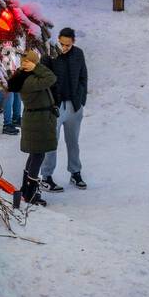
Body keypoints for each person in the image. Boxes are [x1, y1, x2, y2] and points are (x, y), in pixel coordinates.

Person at [39, 28, 89, 191]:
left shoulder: (78, 54)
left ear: (73, 42)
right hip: (55, 106)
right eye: (62, 44)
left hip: (74, 105)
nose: (64, 47)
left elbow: (83, 77)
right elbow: (41, 79)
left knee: (73, 141)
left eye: (68, 44)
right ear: (58, 40)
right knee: (51, 142)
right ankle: (46, 176)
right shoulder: (50, 54)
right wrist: (48, 103)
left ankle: (75, 172)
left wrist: (81, 99)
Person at [11, 49, 59, 208]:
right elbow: (51, 78)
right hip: (38, 122)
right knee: (38, 156)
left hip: (37, 120)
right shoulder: (29, 80)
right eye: (34, 62)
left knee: (34, 155)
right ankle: (31, 193)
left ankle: (26, 189)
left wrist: (34, 68)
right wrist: (36, 68)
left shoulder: (25, 77)